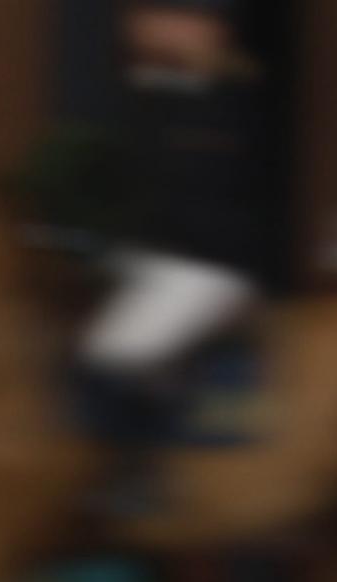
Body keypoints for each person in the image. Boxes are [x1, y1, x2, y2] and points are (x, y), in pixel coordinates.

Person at [74, 0, 281, 439]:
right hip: (147, 259)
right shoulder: (142, 96)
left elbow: (207, 195)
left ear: (210, 31)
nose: (151, 29)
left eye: (172, 19)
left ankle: (140, 472)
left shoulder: (231, 100)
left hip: (205, 266)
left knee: (114, 353)